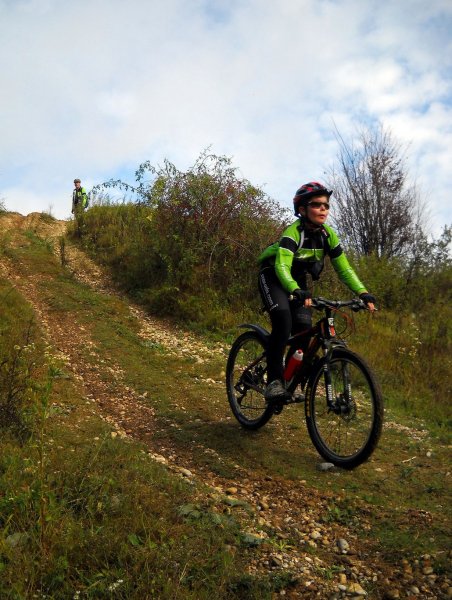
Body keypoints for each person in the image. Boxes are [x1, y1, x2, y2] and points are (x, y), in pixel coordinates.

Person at [258, 181, 376, 402]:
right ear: (302, 209)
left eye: (326, 205)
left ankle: (292, 378)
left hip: (297, 281)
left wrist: (362, 292)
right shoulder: (293, 233)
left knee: (304, 329)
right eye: (317, 205)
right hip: (273, 276)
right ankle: (274, 382)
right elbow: (282, 266)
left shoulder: (328, 235)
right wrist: (294, 289)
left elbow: (344, 268)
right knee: (283, 321)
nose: (324, 209)